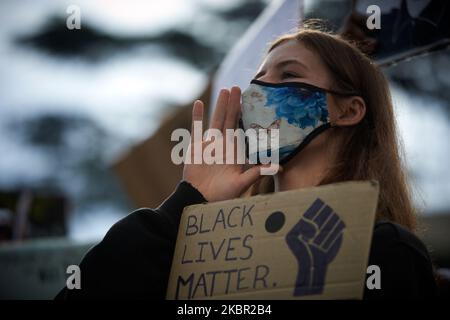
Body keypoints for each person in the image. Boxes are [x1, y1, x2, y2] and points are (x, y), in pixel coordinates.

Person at [56, 25, 437, 300]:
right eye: (257, 80)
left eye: (289, 75)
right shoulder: (215, 247)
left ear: (349, 110)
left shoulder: (385, 252)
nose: (258, 93)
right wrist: (187, 203)